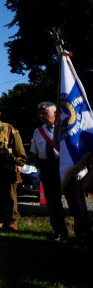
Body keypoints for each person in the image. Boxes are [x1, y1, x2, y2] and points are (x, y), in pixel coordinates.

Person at [30, 102, 92, 243]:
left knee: (76, 202)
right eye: (39, 114)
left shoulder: (69, 129)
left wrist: (80, 168)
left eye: (45, 113)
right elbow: (36, 153)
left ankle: (83, 233)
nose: (41, 116)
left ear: (56, 113)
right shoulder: (38, 132)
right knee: (53, 203)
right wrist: (39, 170)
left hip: (68, 168)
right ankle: (59, 232)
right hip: (48, 168)